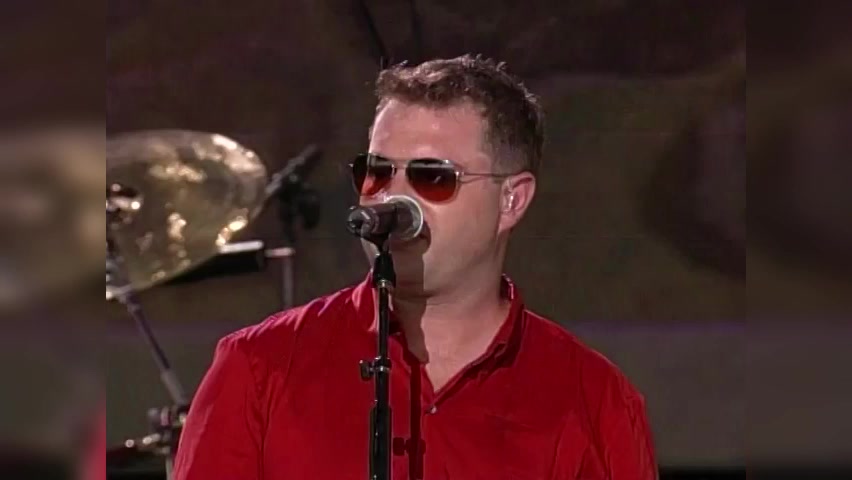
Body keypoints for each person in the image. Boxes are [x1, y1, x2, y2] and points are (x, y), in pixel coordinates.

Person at [173, 55, 657, 480]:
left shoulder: (597, 402)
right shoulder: (258, 369)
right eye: (377, 171)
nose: (391, 198)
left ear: (512, 199)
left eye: (432, 177)